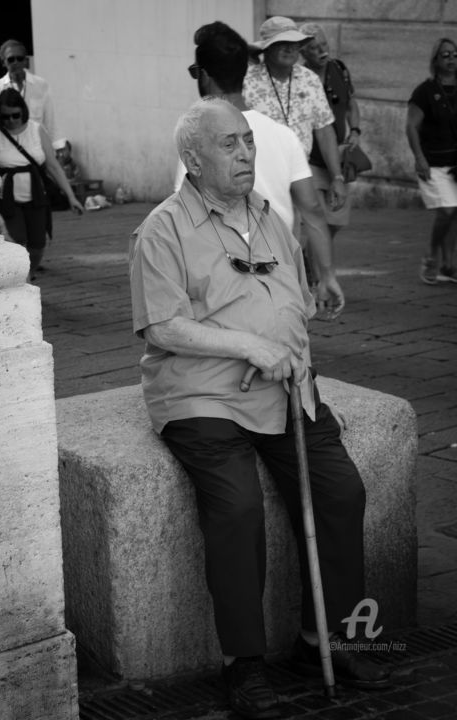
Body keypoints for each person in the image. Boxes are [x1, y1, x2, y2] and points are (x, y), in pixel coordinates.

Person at [129, 97, 389, 720]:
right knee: (238, 507)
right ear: (192, 158)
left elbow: (293, 299)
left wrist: (291, 352)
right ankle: (241, 663)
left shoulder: (271, 218)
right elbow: (163, 326)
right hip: (203, 395)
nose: (246, 153)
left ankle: (325, 639)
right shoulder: (161, 229)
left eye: (248, 141)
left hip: (287, 387)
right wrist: (249, 343)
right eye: (229, 144)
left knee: (340, 491)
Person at [175, 20, 344, 316]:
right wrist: (327, 277)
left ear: (205, 76)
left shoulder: (196, 138)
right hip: (281, 279)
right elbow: (313, 212)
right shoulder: (283, 135)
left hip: (221, 287)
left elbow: (183, 218)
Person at [243, 16, 346, 215]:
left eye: (294, 44)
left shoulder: (309, 79)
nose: (290, 49)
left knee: (305, 231)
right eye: (282, 44)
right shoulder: (247, 81)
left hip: (300, 173)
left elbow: (324, 131)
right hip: (260, 179)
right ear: (267, 48)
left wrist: (337, 178)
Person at [0, 88, 83, 279]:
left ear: (23, 111)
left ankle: (30, 272)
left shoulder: (37, 130)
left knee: (38, 244)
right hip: (6, 198)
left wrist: (71, 197)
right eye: (5, 116)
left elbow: (53, 166)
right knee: (16, 242)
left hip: (35, 195)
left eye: (15, 115)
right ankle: (22, 280)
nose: (11, 120)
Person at [299, 23, 361, 266]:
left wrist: (355, 130)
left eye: (324, 45)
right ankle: (316, 278)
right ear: (303, 53)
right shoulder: (301, 79)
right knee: (318, 220)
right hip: (310, 161)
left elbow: (352, 104)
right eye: (314, 48)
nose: (321, 51)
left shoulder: (340, 69)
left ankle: (308, 255)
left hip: (339, 158)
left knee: (335, 222)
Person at [406, 37, 457, 284]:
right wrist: (419, 158)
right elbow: (411, 127)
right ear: (435, 60)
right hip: (433, 163)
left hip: (456, 162)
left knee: (454, 213)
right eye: (445, 55)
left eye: (455, 54)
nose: (451, 59)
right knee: (447, 211)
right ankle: (431, 255)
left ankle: (448, 265)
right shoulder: (425, 91)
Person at [0, 39, 62, 149]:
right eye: (11, 59)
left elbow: (51, 122)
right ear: (4, 62)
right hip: (6, 153)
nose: (15, 62)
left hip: (37, 152)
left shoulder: (41, 85)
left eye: (19, 58)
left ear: (26, 61)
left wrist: (58, 147)